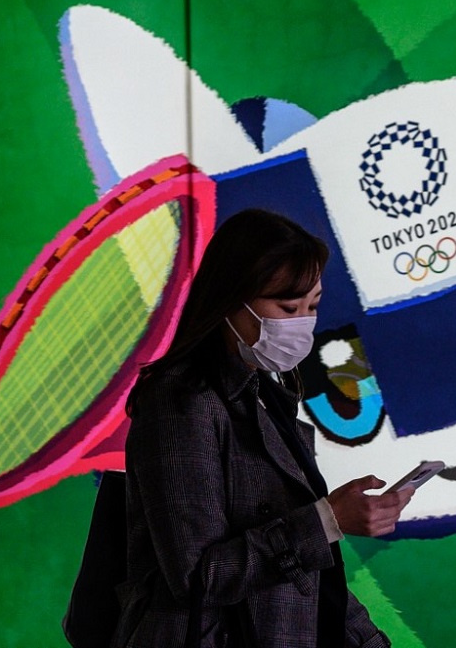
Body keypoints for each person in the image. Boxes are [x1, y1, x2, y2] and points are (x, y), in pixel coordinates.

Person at [113, 208, 413, 647]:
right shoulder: (179, 404)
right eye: (287, 306)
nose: (303, 324)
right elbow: (199, 578)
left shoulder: (268, 396)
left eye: (312, 306)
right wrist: (327, 520)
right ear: (231, 299)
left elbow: (309, 581)